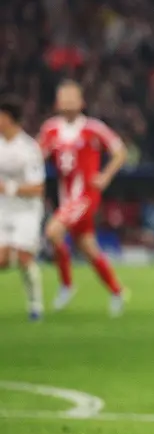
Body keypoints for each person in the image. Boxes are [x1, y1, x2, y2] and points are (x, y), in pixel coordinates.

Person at [38, 81, 127, 316]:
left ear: (81, 102)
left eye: (72, 97)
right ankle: (117, 291)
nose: (67, 102)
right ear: (57, 102)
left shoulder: (94, 128)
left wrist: (105, 176)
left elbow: (120, 151)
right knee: (88, 247)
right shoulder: (50, 129)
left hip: (86, 196)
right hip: (65, 198)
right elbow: (37, 156)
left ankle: (67, 285)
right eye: (63, 97)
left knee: (53, 231)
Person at [0, 95, 46, 320]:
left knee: (24, 258)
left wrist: (7, 188)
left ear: (9, 119)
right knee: (2, 260)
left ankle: (35, 306)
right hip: (2, 210)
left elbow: (38, 188)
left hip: (26, 210)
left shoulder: (29, 148)